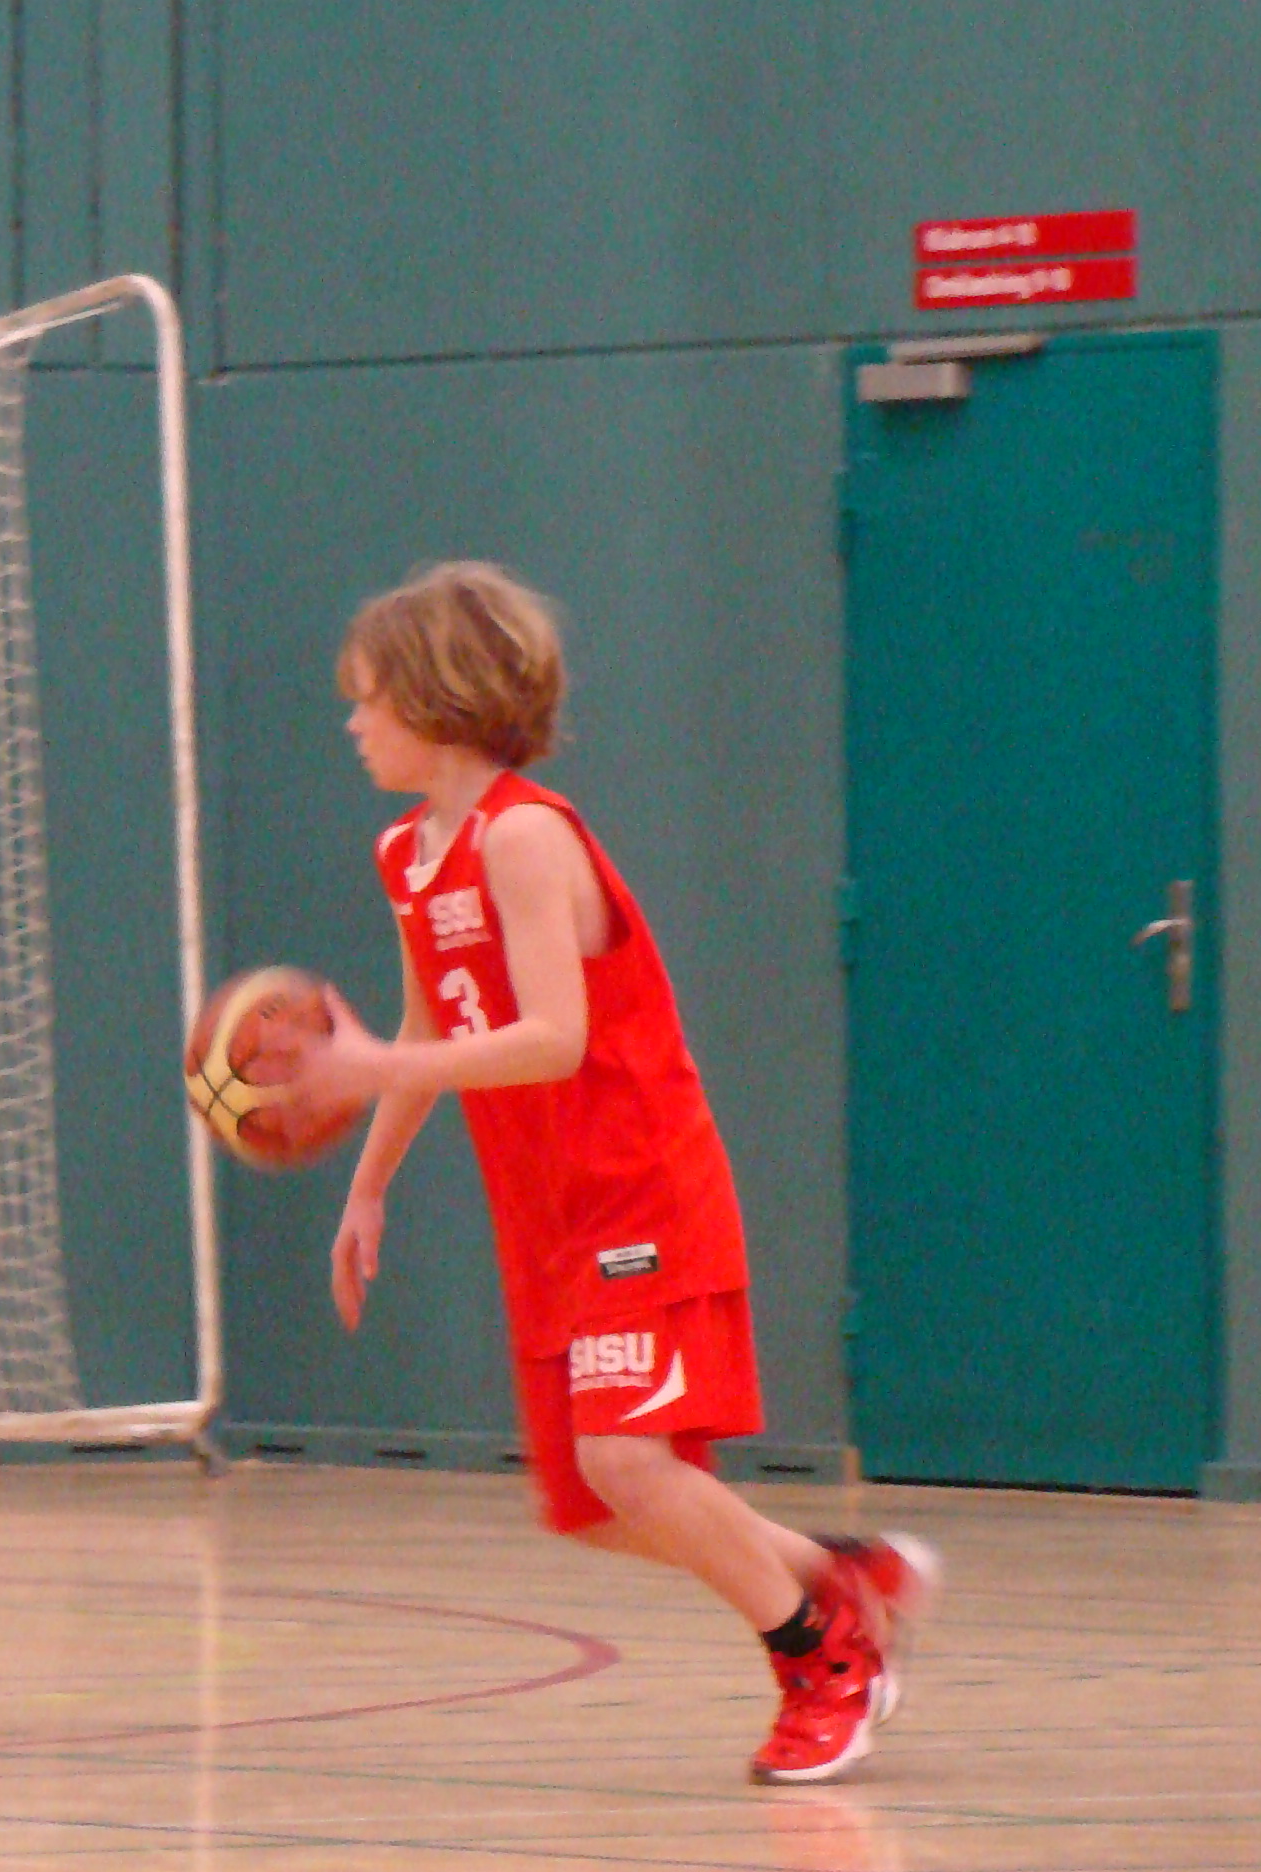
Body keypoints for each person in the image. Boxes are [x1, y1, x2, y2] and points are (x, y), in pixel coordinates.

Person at [278, 563, 934, 1785]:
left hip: (639, 1187)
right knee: (592, 1505)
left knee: (626, 1464)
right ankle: (841, 1574)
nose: (353, 722)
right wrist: (369, 1184)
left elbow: (554, 1037)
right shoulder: (405, 853)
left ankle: (820, 1655)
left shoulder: (526, 836)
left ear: (436, 697)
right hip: (547, 1213)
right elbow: (427, 1018)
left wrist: (373, 1067)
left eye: (367, 697)